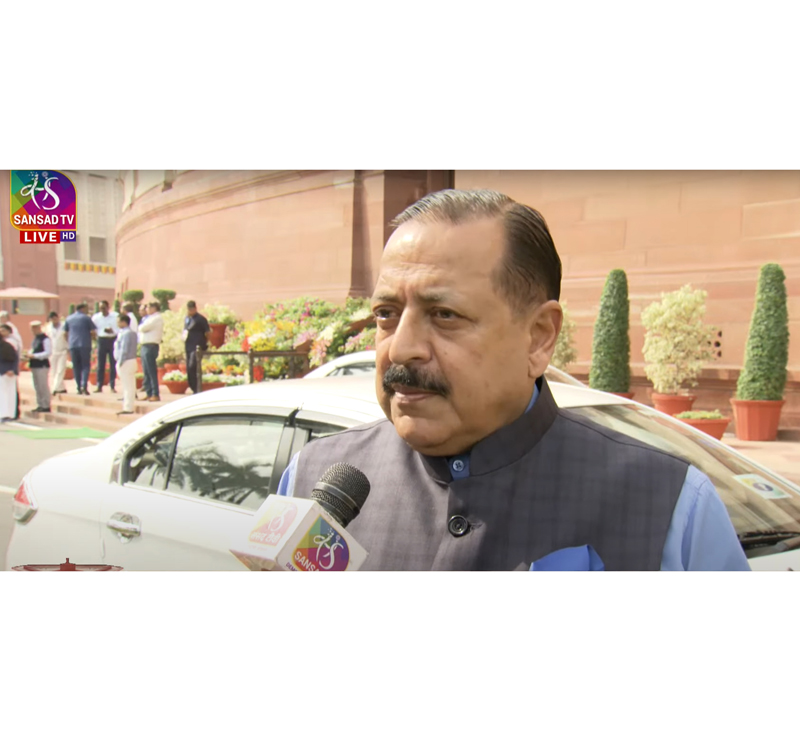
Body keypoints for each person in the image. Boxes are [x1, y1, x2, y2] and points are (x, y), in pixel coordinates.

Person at [276, 189, 749, 571]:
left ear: (538, 338)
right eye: (386, 314)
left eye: (444, 315)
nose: (399, 349)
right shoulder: (313, 479)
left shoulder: (669, 506)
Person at [63, 303, 96, 396]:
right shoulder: (86, 318)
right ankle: (84, 385)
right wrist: (94, 339)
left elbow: (64, 333)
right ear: (83, 308)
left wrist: (69, 341)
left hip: (73, 345)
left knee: (76, 366)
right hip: (84, 344)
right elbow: (93, 331)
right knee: (85, 366)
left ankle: (78, 387)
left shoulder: (69, 318)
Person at [138, 301, 163, 402]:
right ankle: (149, 393)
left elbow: (143, 328)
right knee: (146, 371)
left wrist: (141, 327)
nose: (146, 310)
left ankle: (155, 393)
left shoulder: (156, 318)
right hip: (145, 345)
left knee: (151, 370)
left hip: (151, 346)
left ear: (154, 308)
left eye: (148, 307)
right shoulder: (149, 318)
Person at [183, 301, 211, 393]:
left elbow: (208, 332)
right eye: (189, 309)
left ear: (195, 308)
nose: (190, 311)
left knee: (193, 366)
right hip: (188, 345)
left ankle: (197, 388)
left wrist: (206, 343)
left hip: (197, 346)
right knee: (188, 367)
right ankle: (192, 387)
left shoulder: (200, 319)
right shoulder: (187, 319)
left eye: (192, 309)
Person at [25, 320, 52, 413]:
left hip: (42, 365)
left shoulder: (45, 339)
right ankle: (40, 403)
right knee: (37, 385)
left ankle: (46, 404)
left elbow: (48, 352)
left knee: (43, 385)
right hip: (34, 365)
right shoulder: (35, 339)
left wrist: (35, 356)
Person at [92, 300, 118, 393]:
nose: (102, 310)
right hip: (101, 340)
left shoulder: (115, 316)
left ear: (108, 307)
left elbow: (119, 328)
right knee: (100, 364)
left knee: (112, 363)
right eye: (100, 308)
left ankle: (112, 385)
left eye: (103, 308)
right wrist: (95, 338)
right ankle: (99, 385)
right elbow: (93, 329)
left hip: (112, 339)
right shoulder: (96, 317)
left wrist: (113, 331)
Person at [114, 314, 138, 415]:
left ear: (124, 322)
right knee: (128, 385)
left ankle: (128, 407)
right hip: (128, 361)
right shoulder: (124, 333)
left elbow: (124, 349)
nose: (117, 323)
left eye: (119, 321)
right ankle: (127, 405)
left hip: (126, 361)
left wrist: (120, 361)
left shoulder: (127, 333)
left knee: (128, 386)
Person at [0, 313, 22, 420]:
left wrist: (13, 369)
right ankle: (5, 413)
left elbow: (15, 357)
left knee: (9, 393)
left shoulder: (11, 342)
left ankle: (9, 414)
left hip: (8, 370)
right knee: (4, 393)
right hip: (2, 370)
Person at [46, 311, 68, 394]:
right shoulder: (48, 327)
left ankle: (54, 388)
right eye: (52, 319)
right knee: (54, 371)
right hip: (52, 351)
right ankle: (61, 388)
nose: (54, 321)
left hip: (62, 350)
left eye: (55, 318)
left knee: (61, 370)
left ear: (58, 318)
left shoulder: (64, 325)